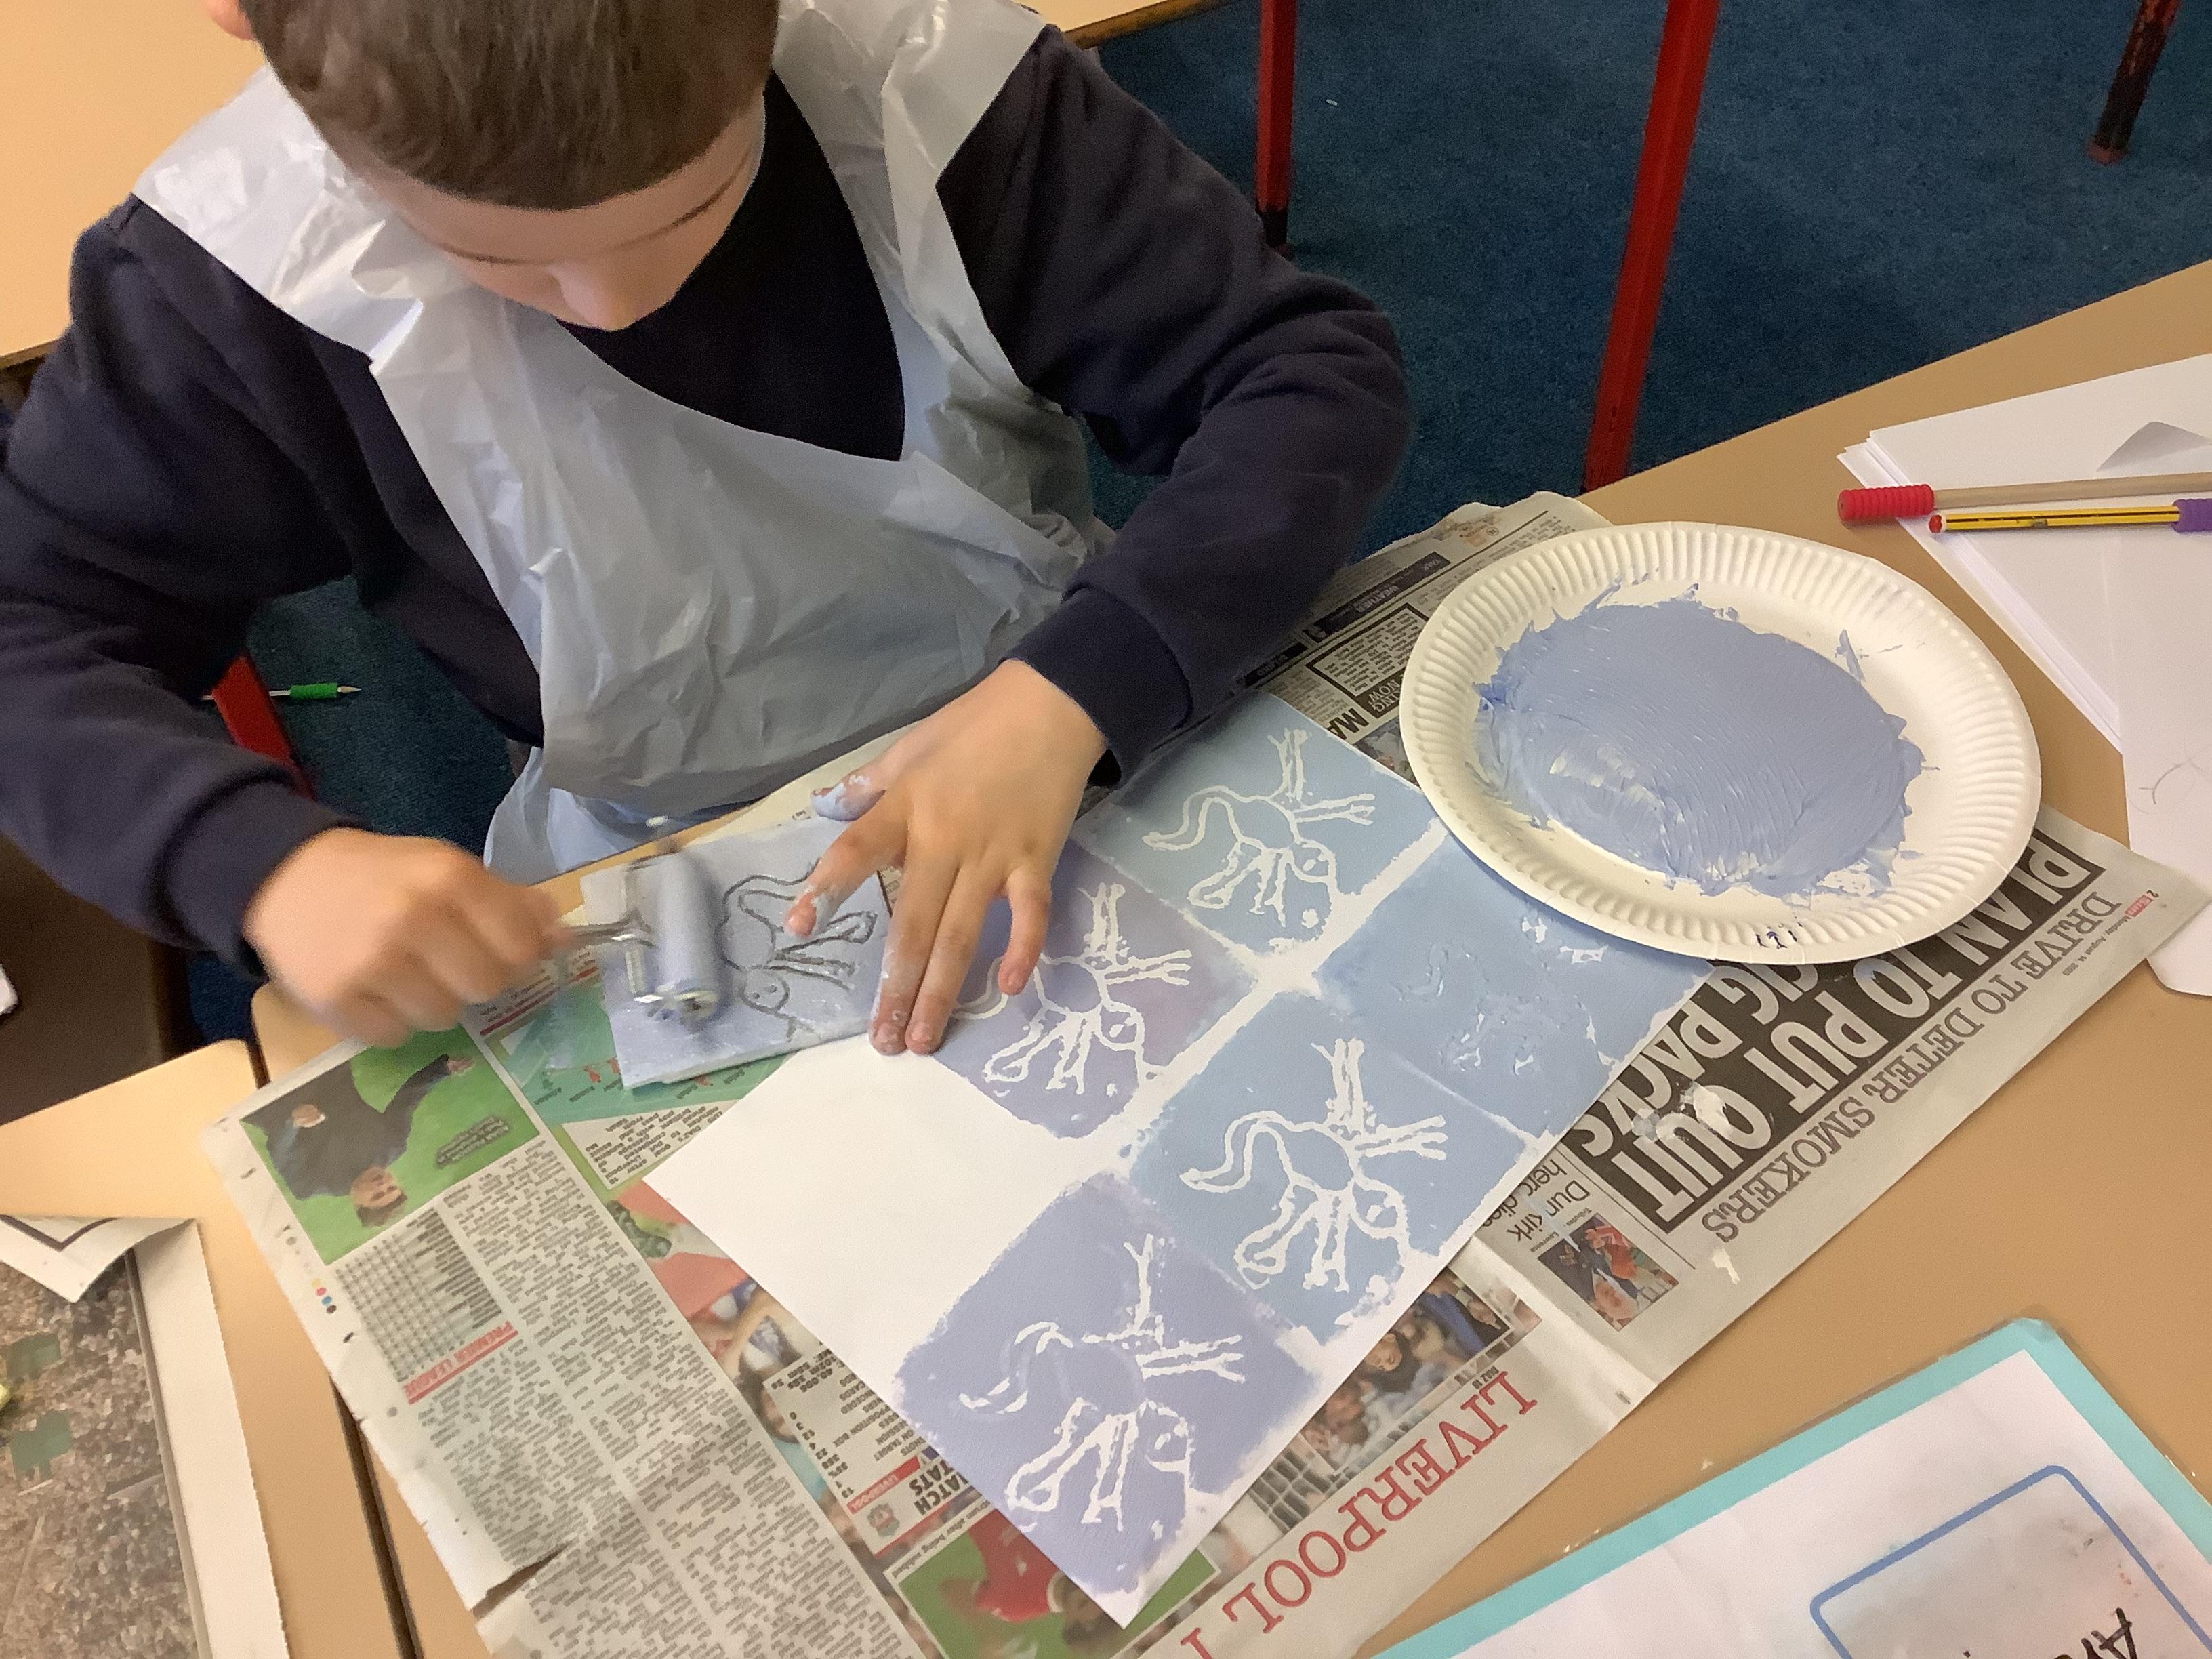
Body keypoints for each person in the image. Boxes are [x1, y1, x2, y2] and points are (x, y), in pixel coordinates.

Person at [0, 0, 1410, 1059]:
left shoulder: (936, 91)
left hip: (1065, 699)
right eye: (493, 256)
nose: (615, 303)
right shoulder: (229, 296)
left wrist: (1073, 693)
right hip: (653, 831)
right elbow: (33, 632)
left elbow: (1303, 376)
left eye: (696, 202)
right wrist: (254, 859)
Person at [245, 1051, 474, 1224]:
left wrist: (293, 1122)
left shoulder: (309, 1186)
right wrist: (443, 1069)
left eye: (377, 1195)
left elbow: (279, 1150)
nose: (383, 1185)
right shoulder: (394, 1144)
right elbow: (408, 1099)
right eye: (391, 1188)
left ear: (357, 1204)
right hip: (327, 1070)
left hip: (269, 1099)